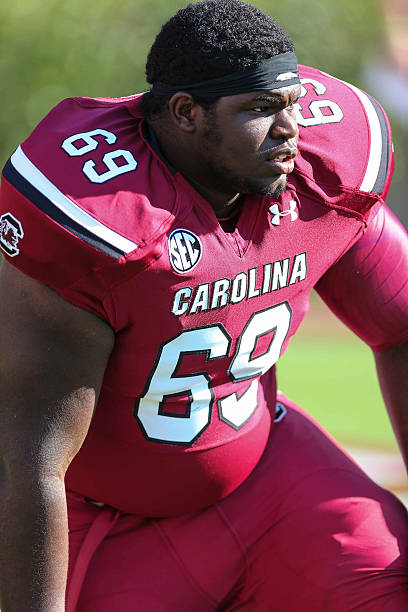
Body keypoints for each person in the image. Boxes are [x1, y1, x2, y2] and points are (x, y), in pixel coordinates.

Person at [0, 0, 408, 609]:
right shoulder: (100, 226)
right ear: (185, 114)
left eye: (292, 103)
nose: (292, 129)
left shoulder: (320, 173)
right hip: (109, 523)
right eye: (261, 109)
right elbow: (29, 461)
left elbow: (400, 328)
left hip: (268, 474)